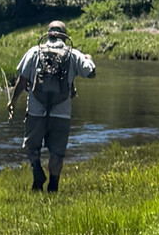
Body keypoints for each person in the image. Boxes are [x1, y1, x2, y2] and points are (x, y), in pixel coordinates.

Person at [8, 20, 96, 192]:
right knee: (57, 152)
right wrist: (89, 59)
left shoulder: (35, 51)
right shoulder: (73, 54)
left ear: (48, 34)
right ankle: (53, 186)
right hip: (61, 113)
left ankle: (37, 172)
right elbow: (90, 73)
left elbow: (22, 80)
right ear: (65, 36)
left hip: (35, 111)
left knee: (32, 146)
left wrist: (13, 101)